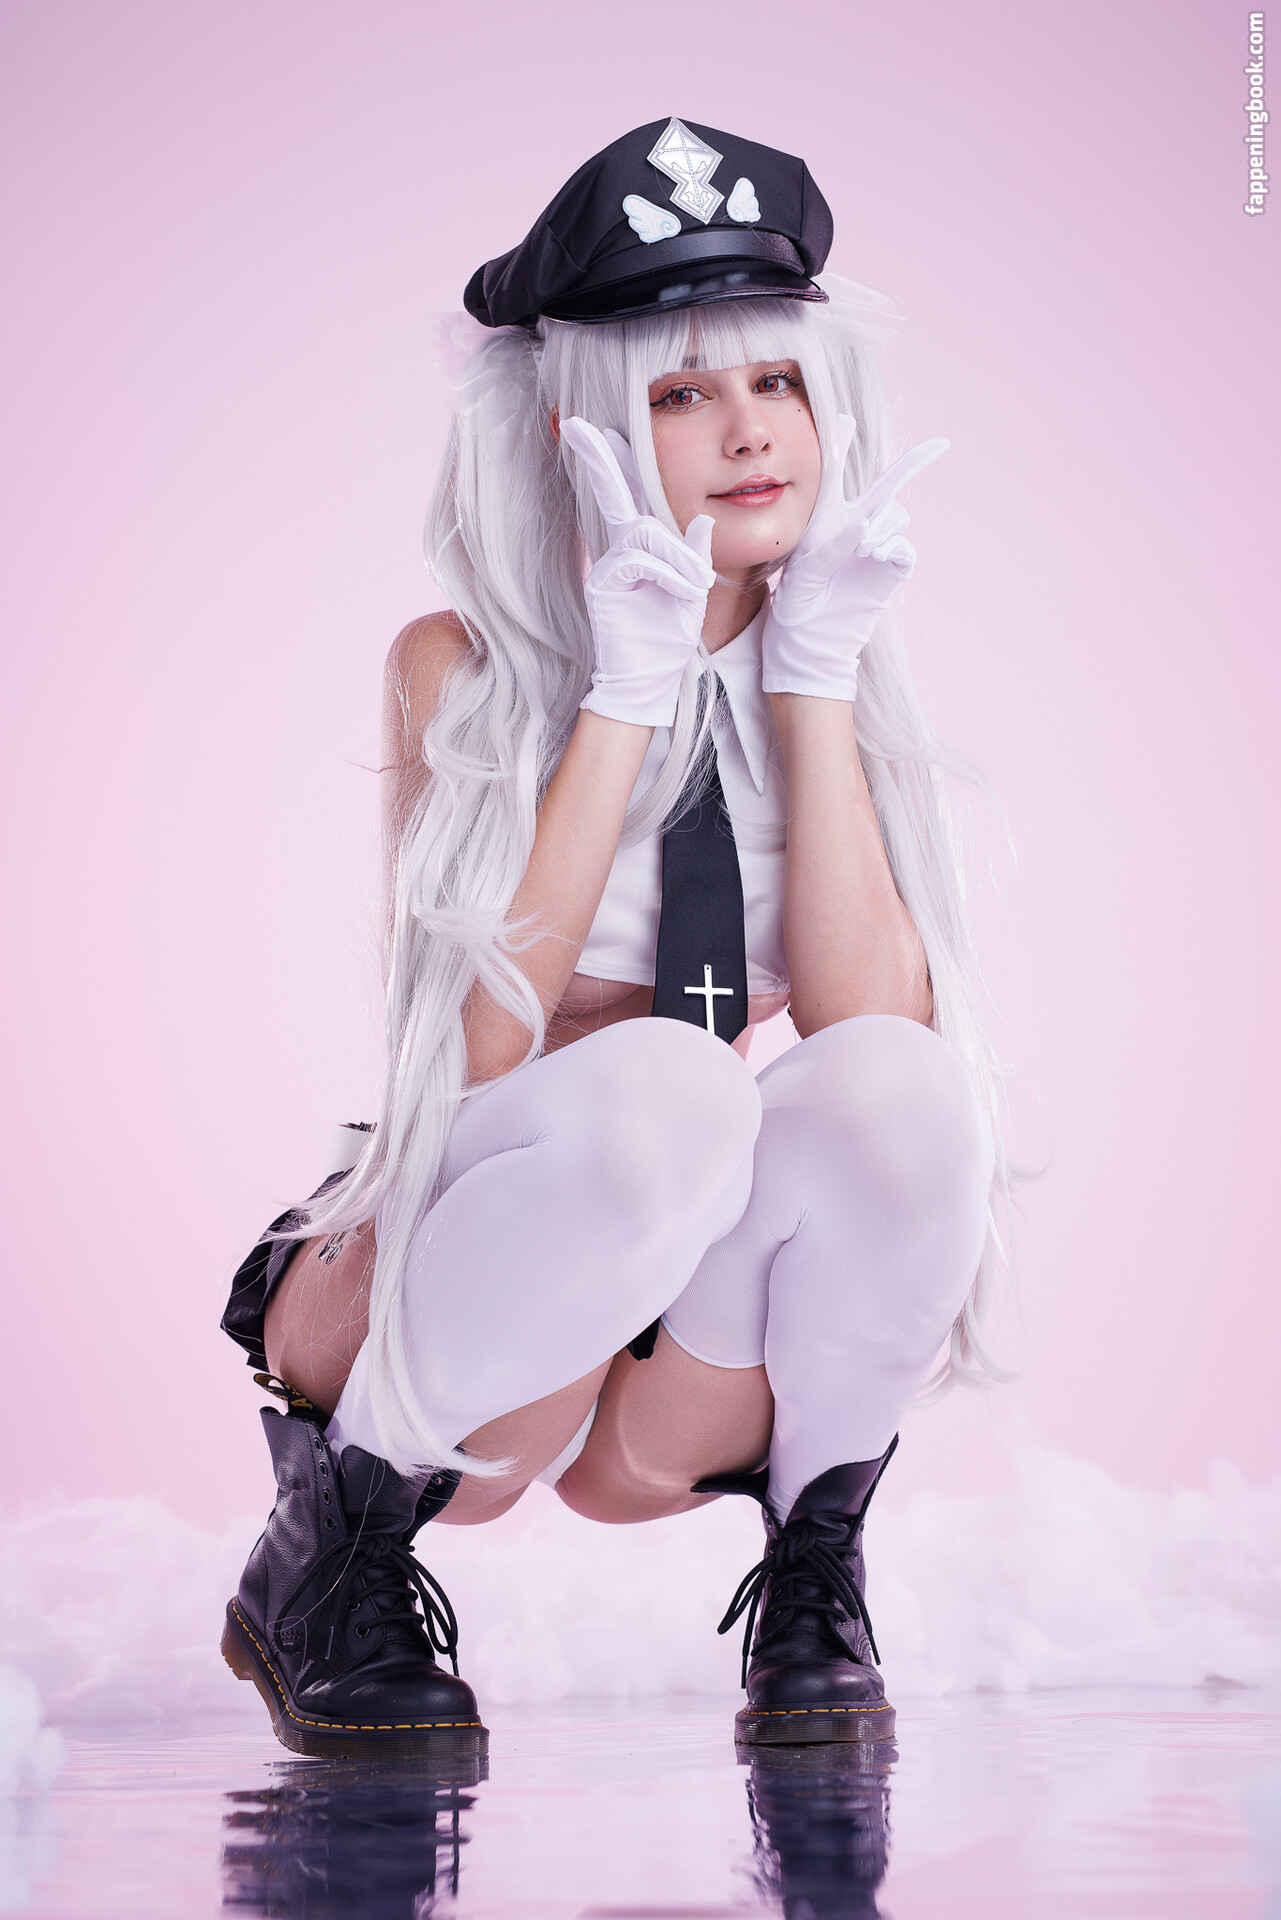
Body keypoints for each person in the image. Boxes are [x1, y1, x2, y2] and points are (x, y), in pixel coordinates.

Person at [219, 118, 1007, 1762]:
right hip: (448, 1292)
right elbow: (472, 1048)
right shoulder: (460, 669)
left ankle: (815, 1575)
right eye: (679, 393)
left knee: (906, 1089)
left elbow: (874, 1044)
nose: (747, 430)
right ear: (579, 421)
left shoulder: (843, 654)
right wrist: (625, 694)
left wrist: (808, 682)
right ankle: (327, 1553)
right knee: (671, 1088)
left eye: (775, 383)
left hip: (663, 1360)